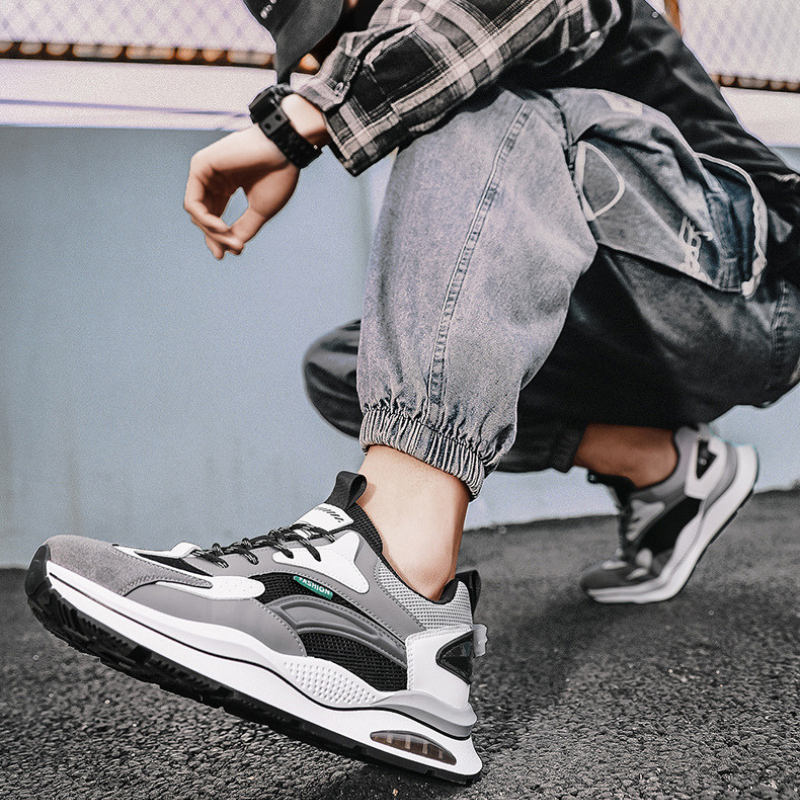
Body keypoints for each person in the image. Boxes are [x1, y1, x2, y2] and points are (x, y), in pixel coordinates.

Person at [25, 0, 800, 782]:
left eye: (335, 31)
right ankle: (665, 467)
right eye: (318, 52)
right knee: (343, 367)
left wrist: (298, 125)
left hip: (750, 294)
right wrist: (304, 117)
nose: (335, 52)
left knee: (473, 96)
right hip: (624, 340)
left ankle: (388, 591)